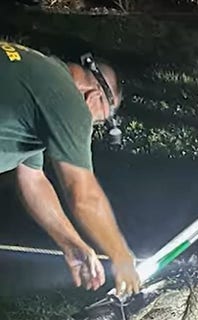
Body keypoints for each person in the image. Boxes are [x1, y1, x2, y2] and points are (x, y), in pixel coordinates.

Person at [0, 41, 140, 296]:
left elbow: (32, 179)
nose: (91, 127)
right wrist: (121, 255)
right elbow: (83, 195)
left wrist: (72, 243)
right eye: (100, 121)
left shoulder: (39, 73)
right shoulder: (67, 101)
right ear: (95, 96)